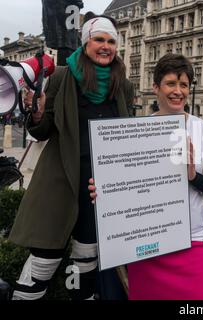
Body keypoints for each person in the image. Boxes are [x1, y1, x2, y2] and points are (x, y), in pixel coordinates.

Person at [8, 12, 134, 300]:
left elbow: (128, 136)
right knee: (43, 259)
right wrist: (37, 113)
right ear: (85, 42)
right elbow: (42, 130)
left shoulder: (123, 85)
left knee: (86, 259)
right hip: (61, 180)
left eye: (111, 41)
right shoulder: (62, 76)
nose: (106, 47)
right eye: (99, 40)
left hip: (98, 190)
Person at [90, 53, 203, 300]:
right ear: (156, 87)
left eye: (184, 85)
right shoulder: (136, 129)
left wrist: (192, 176)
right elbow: (126, 186)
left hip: (191, 242)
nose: (178, 91)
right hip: (146, 245)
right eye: (171, 83)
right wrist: (103, 191)